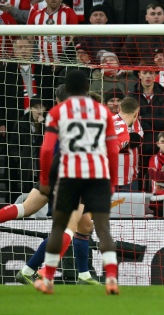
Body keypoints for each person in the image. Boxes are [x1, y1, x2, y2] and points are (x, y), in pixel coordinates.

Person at [34, 70, 120, 295]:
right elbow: (112, 148)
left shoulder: (58, 111)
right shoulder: (102, 111)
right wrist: (112, 180)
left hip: (70, 175)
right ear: (86, 88)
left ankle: (47, 277)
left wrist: (44, 179)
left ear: (68, 90)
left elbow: (46, 150)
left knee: (60, 227)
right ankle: (111, 277)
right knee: (101, 228)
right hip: (98, 175)